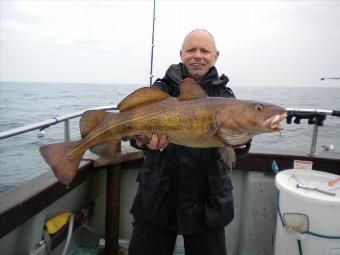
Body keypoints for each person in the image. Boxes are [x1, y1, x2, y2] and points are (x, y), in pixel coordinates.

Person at [128, 29, 251, 255]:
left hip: (208, 200)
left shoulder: (226, 97)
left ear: (215, 56)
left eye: (204, 50)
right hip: (158, 193)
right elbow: (134, 134)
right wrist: (143, 141)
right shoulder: (160, 90)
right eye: (191, 50)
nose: (197, 55)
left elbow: (240, 148)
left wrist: (241, 140)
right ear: (181, 54)